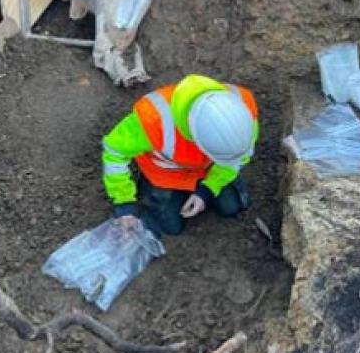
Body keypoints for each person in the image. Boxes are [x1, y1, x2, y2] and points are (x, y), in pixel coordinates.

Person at [101, 74, 257, 237]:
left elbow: (238, 158)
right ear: (195, 138)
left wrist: (207, 190)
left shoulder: (243, 109)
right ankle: (147, 186)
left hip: (208, 170)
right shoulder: (152, 119)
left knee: (231, 207)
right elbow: (114, 152)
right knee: (171, 226)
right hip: (164, 174)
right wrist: (125, 203)